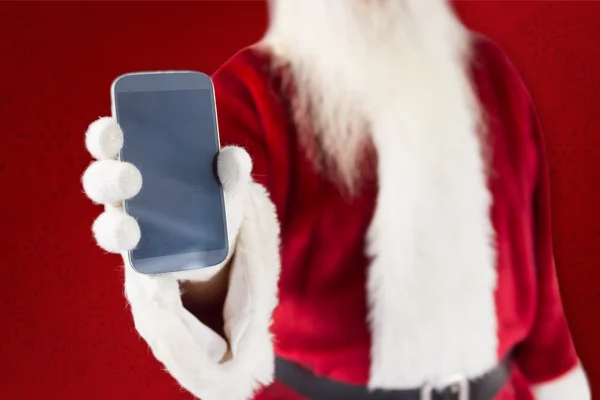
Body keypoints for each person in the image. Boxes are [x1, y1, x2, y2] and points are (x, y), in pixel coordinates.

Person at [81, 1, 591, 399]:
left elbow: (537, 270)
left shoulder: (491, 73)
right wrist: (197, 266)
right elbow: (234, 252)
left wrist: (559, 381)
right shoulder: (251, 90)